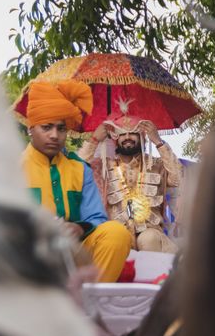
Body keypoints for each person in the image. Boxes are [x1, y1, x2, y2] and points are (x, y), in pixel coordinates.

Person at [18, 80, 131, 282]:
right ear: (30, 128)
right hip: (31, 257)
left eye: (61, 129)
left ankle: (91, 300)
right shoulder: (11, 167)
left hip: (74, 255)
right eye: (46, 127)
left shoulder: (79, 168)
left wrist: (79, 228)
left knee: (116, 233)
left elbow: (97, 218)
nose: (54, 135)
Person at [78, 103, 182, 253]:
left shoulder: (156, 164)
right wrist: (94, 140)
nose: (127, 137)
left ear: (142, 136)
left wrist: (158, 142)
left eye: (132, 133)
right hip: (118, 237)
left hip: (153, 238)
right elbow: (77, 170)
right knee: (117, 239)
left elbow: (178, 178)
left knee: (148, 239)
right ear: (115, 139)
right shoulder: (104, 167)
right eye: (122, 134)